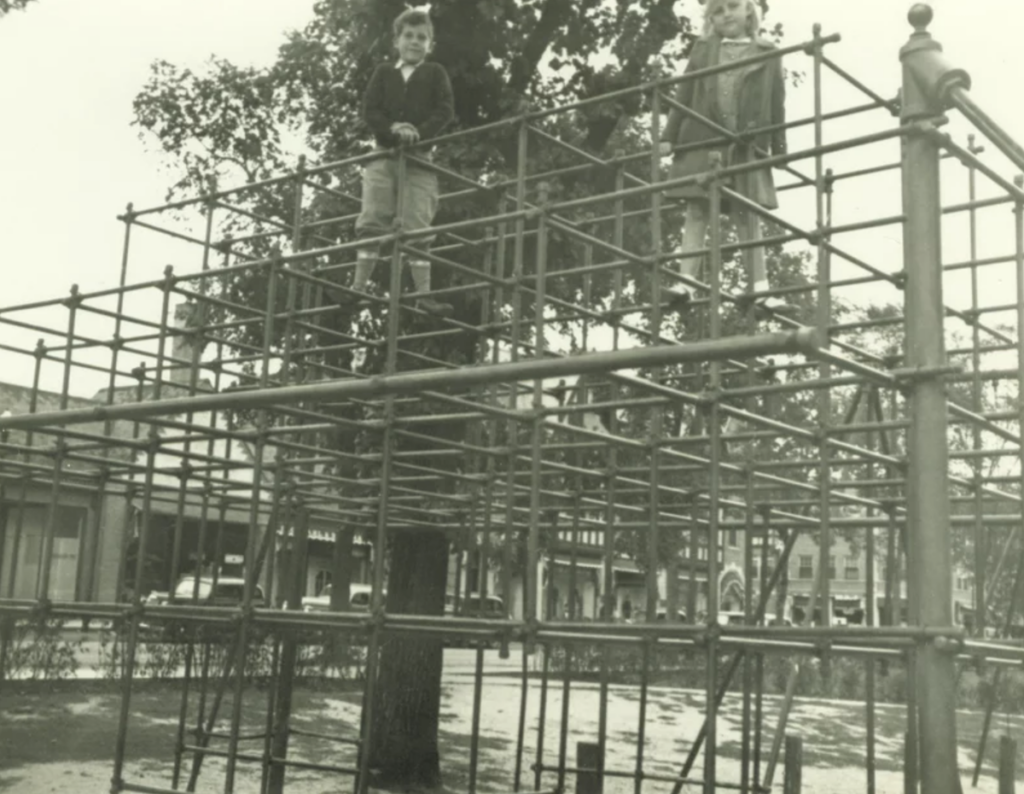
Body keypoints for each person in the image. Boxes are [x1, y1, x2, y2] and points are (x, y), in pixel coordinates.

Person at [657, 0, 791, 316]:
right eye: (718, 10)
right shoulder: (703, 49)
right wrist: (668, 136)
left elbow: (777, 102)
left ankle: (759, 288)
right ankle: (685, 283)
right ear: (711, 19)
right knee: (697, 208)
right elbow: (684, 93)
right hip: (704, 137)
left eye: (732, 5)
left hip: (745, 143)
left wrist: (780, 149)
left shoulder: (768, 52)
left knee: (747, 212)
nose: (726, 14)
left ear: (749, 11)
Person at [342, 8, 455, 317]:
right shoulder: (384, 72)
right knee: (373, 218)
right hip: (384, 153)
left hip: (419, 158)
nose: (415, 42)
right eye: (409, 36)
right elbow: (371, 109)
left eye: (422, 37)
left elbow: (445, 110)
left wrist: (418, 133)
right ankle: (358, 288)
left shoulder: (435, 72)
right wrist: (393, 131)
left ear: (430, 44)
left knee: (418, 222)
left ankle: (424, 294)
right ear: (397, 40)